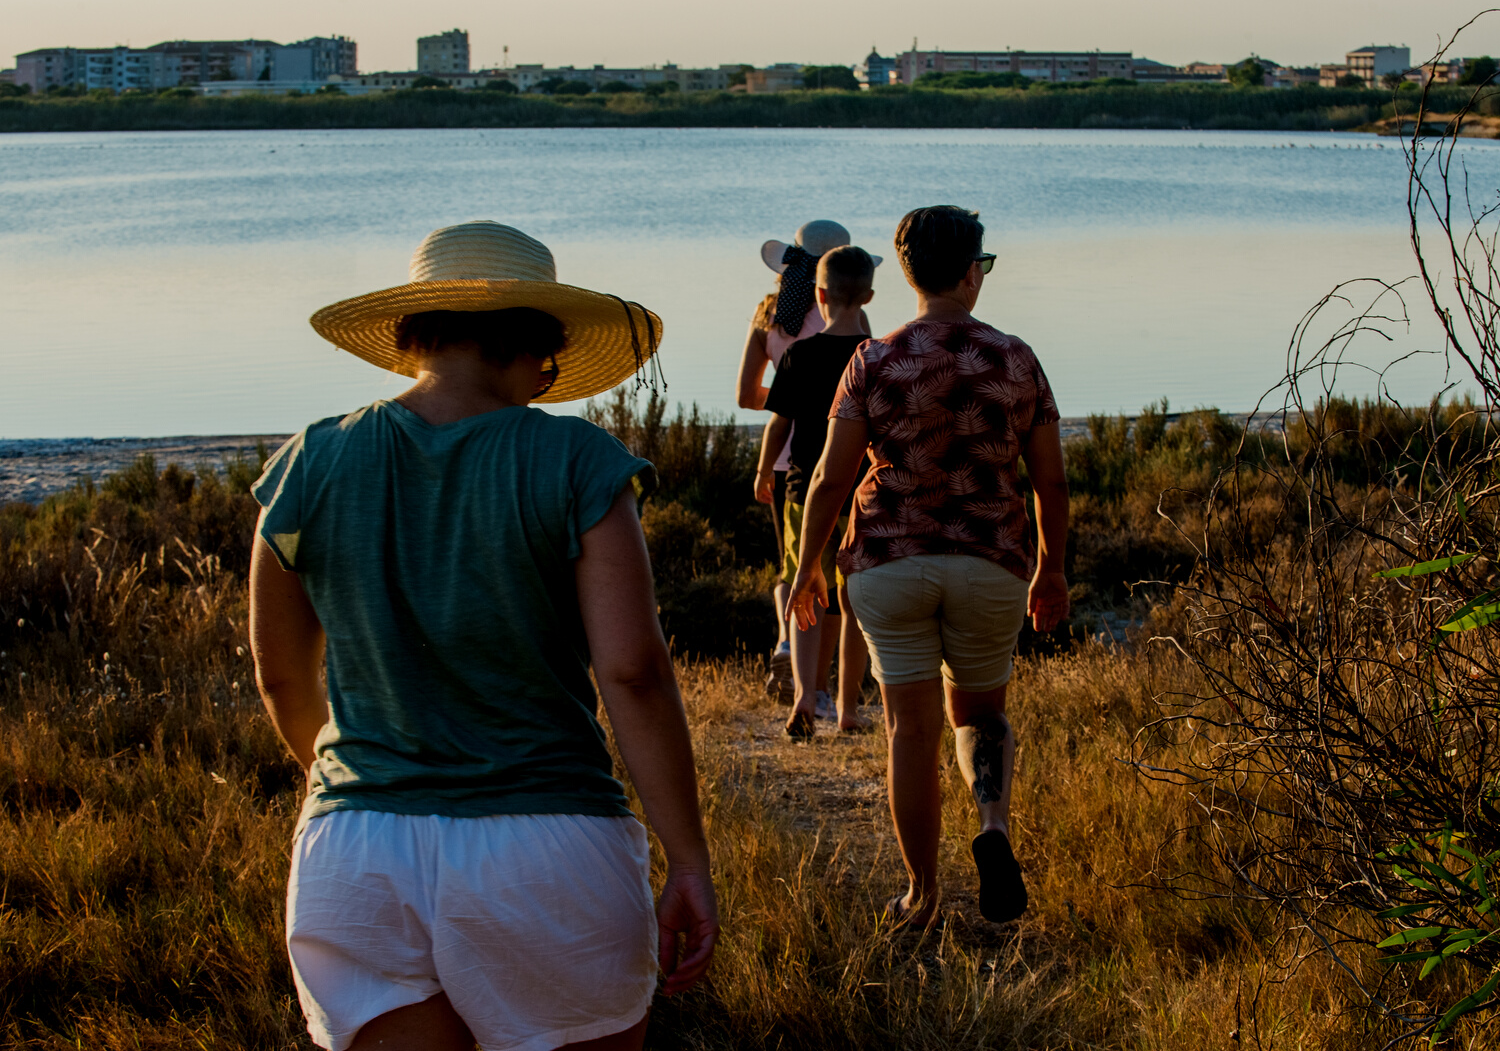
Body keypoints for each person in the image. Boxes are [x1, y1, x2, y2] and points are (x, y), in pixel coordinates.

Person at [247, 220, 717, 1051]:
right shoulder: (576, 460)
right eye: (553, 363)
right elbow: (632, 670)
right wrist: (688, 859)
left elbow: (282, 678)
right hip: (545, 842)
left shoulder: (309, 461)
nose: (548, 381)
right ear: (532, 345)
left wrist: (356, 781)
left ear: (411, 337)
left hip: (355, 852)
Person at [789, 205, 1070, 930]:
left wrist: (806, 566)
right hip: (991, 563)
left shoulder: (873, 360)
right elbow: (1051, 482)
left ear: (909, 276)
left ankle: (921, 894)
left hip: (890, 565)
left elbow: (828, 477)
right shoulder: (1017, 357)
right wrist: (1052, 569)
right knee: (980, 713)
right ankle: (993, 828)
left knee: (909, 730)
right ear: (973, 274)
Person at [735, 220, 876, 695]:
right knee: (841, 585)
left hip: (790, 465)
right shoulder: (863, 337)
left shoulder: (770, 318)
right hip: (857, 472)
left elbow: (748, 397)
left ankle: (790, 651)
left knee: (795, 568)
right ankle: (836, 690)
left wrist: (790, 401)